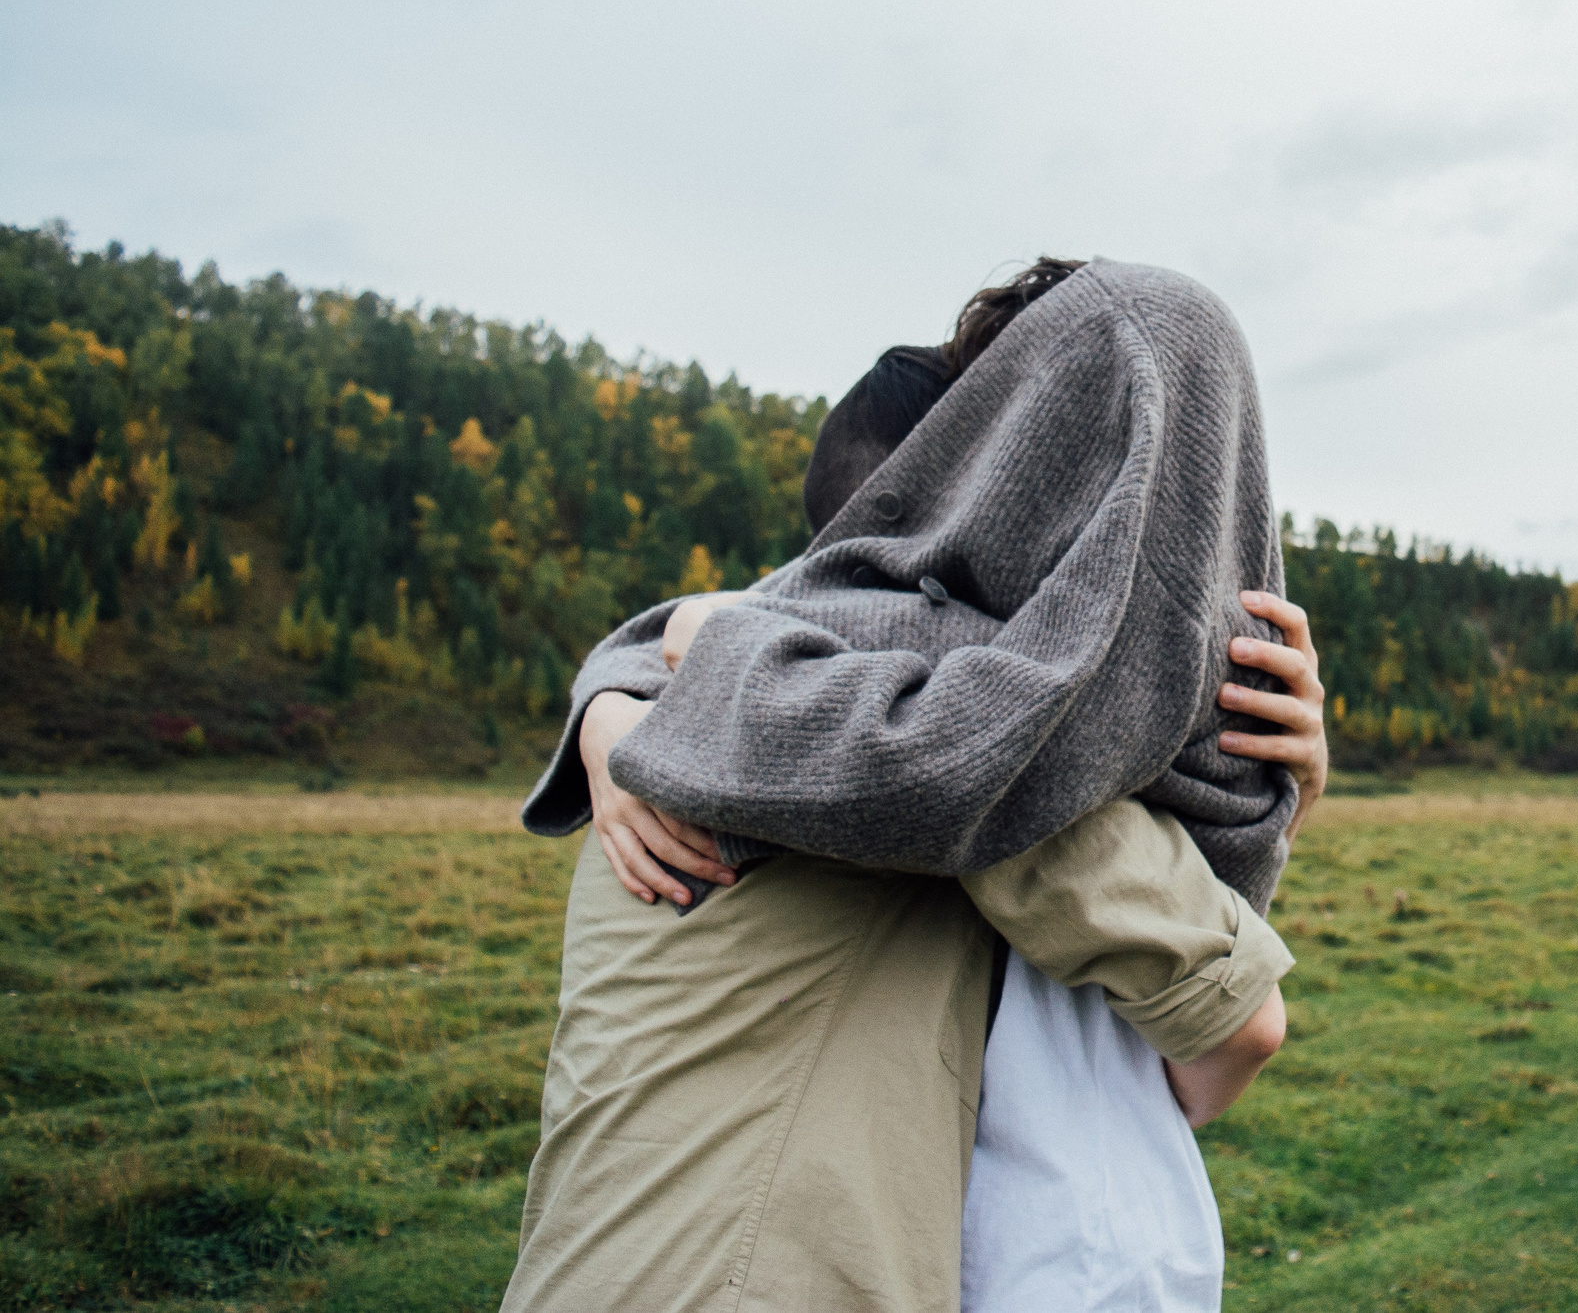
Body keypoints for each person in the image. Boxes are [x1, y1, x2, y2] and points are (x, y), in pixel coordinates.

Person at [502, 260, 1326, 1312]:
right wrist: (1247, 764)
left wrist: (616, 687)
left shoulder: (705, 699)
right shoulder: (964, 771)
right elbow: (1228, 1034)